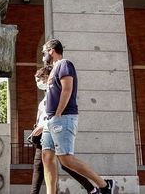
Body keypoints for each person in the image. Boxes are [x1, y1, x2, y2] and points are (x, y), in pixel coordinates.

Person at [41, 39, 115, 194]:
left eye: (44, 52)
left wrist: (59, 112)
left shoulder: (64, 64)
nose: (43, 56)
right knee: (47, 156)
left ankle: (104, 185)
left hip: (63, 117)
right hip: (50, 121)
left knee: (66, 159)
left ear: (52, 50)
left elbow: (67, 89)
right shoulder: (53, 69)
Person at [30, 65, 98, 194]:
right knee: (39, 166)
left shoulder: (55, 95)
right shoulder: (45, 98)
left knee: (65, 163)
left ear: (47, 77)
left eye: (39, 79)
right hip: (43, 136)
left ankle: (93, 188)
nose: (38, 83)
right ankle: (92, 189)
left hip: (54, 130)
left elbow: (56, 114)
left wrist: (43, 125)